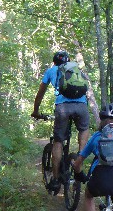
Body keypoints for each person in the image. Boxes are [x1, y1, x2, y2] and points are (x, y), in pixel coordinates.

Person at [32, 50, 90, 194]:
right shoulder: (76, 69)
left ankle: (56, 178)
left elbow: (40, 93)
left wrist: (36, 111)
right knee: (84, 129)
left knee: (58, 141)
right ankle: (79, 158)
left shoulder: (51, 71)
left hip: (63, 108)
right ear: (68, 61)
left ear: (54, 62)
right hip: (81, 107)